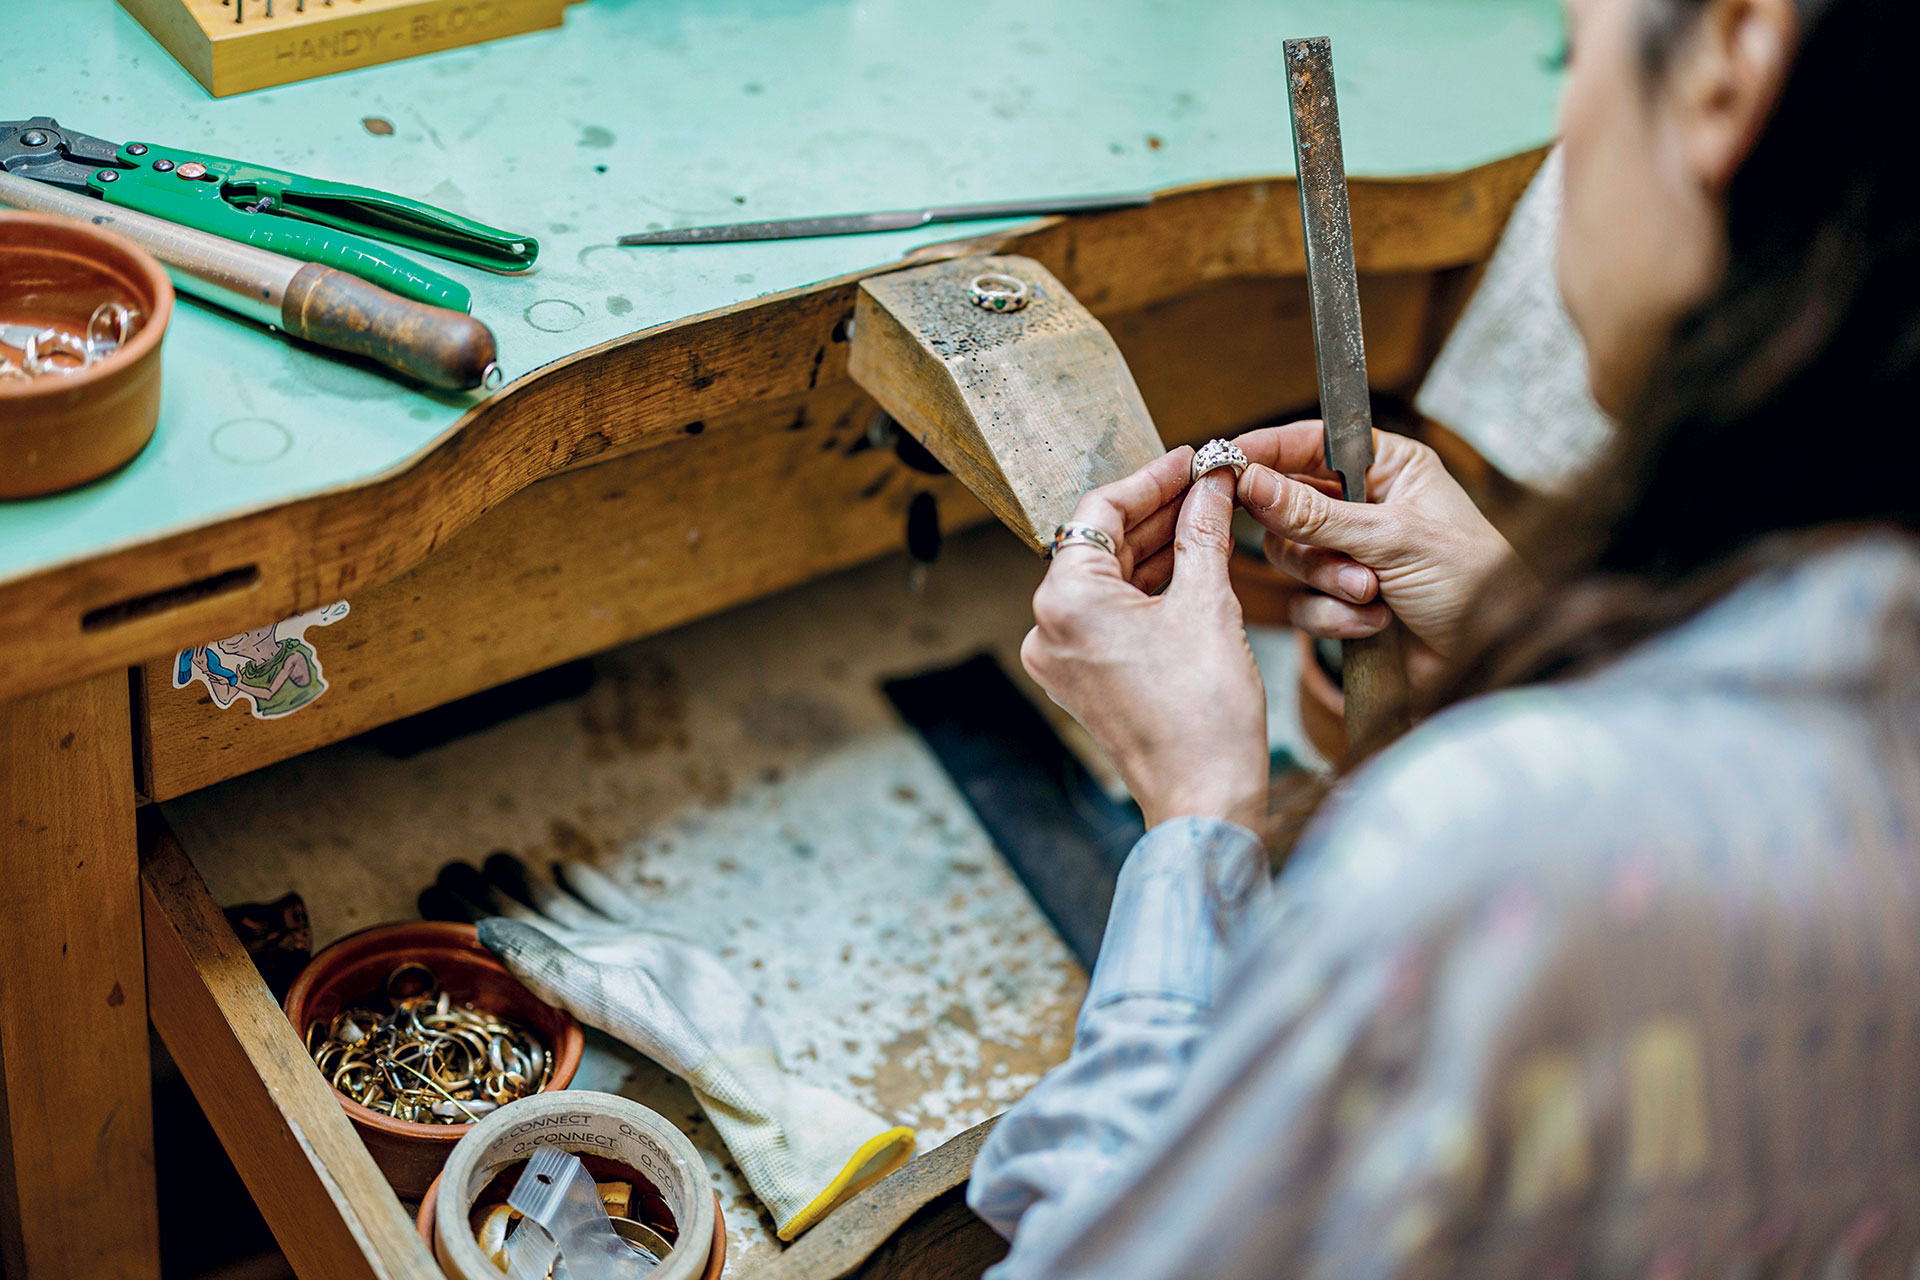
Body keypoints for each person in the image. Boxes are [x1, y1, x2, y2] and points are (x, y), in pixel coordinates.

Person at [968, 0, 1920, 1273]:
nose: (1564, 139)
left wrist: (1196, 816)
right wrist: (1515, 628)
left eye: (1567, 52)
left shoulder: (1485, 863)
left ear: (1727, 70)